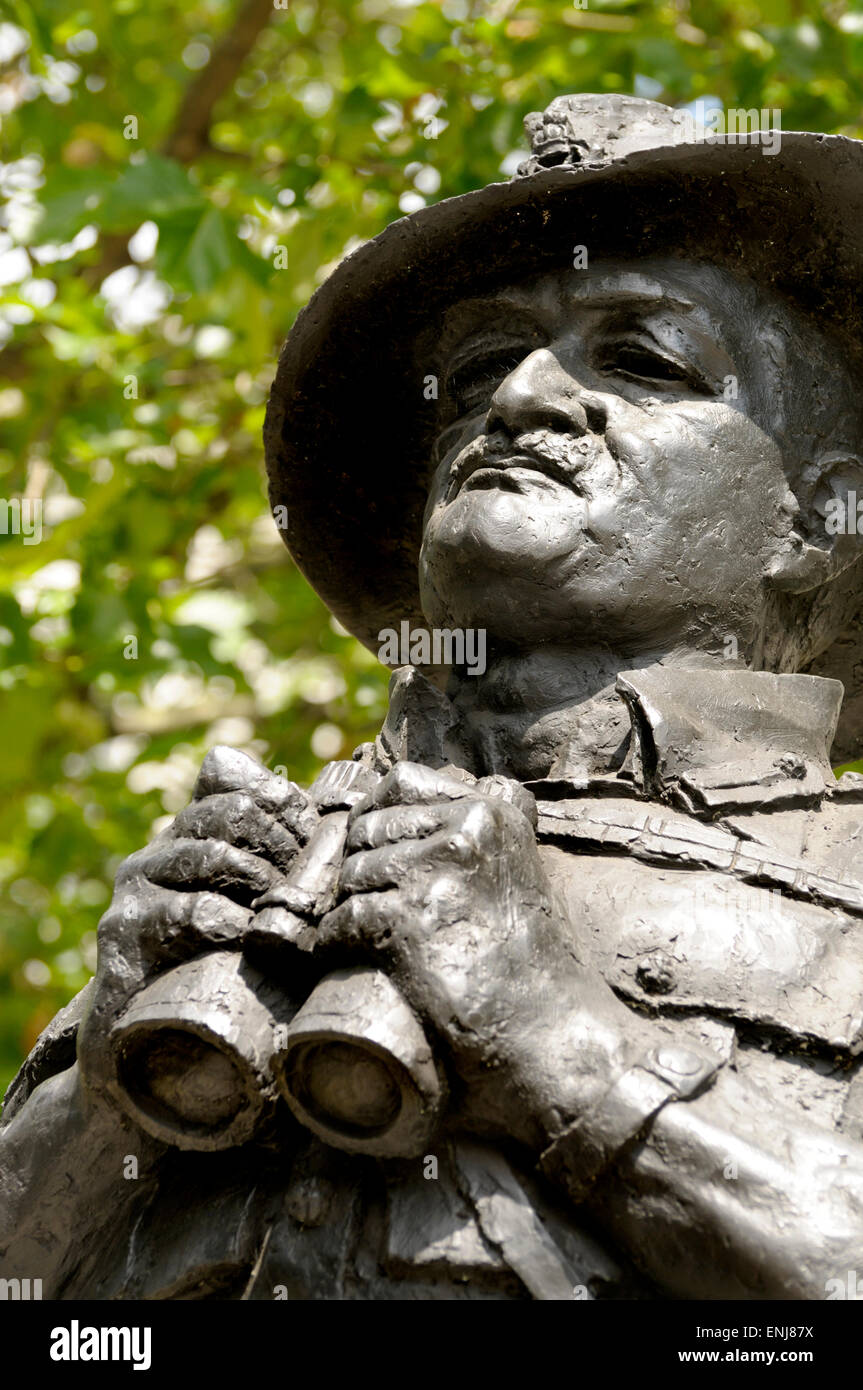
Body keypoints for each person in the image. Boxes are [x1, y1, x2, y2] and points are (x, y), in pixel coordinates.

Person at [3, 93, 863, 1300]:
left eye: (639, 358)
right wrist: (103, 1084)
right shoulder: (253, 868)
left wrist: (566, 1054)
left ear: (820, 516)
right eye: (475, 371)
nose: (514, 401)